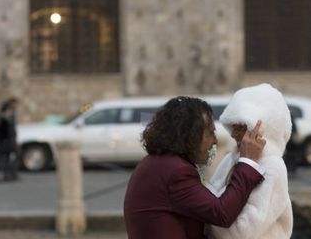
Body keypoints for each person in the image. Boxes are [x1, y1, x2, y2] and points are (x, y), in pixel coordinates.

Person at [124, 96, 266, 239]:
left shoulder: (157, 163)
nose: (215, 141)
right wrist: (247, 161)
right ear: (190, 134)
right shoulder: (176, 172)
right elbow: (223, 213)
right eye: (210, 133)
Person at [207, 83, 293, 239]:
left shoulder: (272, 167)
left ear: (260, 129)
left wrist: (210, 212)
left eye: (240, 127)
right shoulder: (230, 159)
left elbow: (240, 233)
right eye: (232, 126)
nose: (233, 134)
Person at [0, 97, 19, 182]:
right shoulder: (2, 118)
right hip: (3, 142)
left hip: (8, 141)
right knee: (2, 159)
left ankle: (9, 174)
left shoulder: (10, 117)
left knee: (7, 159)